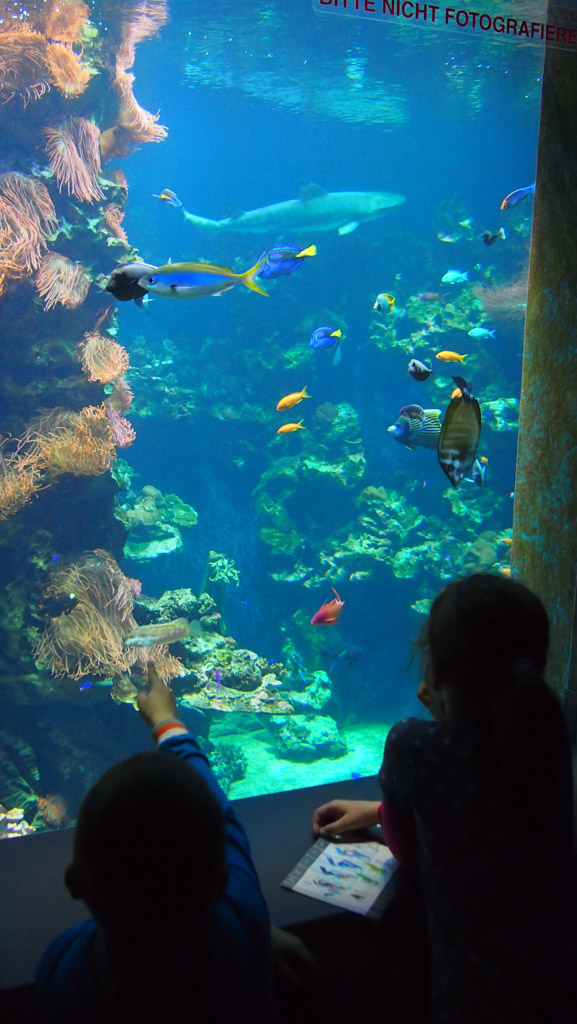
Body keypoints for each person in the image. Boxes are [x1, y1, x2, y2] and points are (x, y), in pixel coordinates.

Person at [312, 573, 577, 1023]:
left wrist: (387, 812)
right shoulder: (547, 736)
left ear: (442, 670)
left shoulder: (413, 744)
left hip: (475, 998)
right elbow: (488, 808)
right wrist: (379, 809)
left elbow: (408, 850)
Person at [36, 661, 278, 1024]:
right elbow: (224, 817)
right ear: (222, 879)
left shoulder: (62, 969)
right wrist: (168, 724)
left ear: (75, 881)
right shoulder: (243, 921)